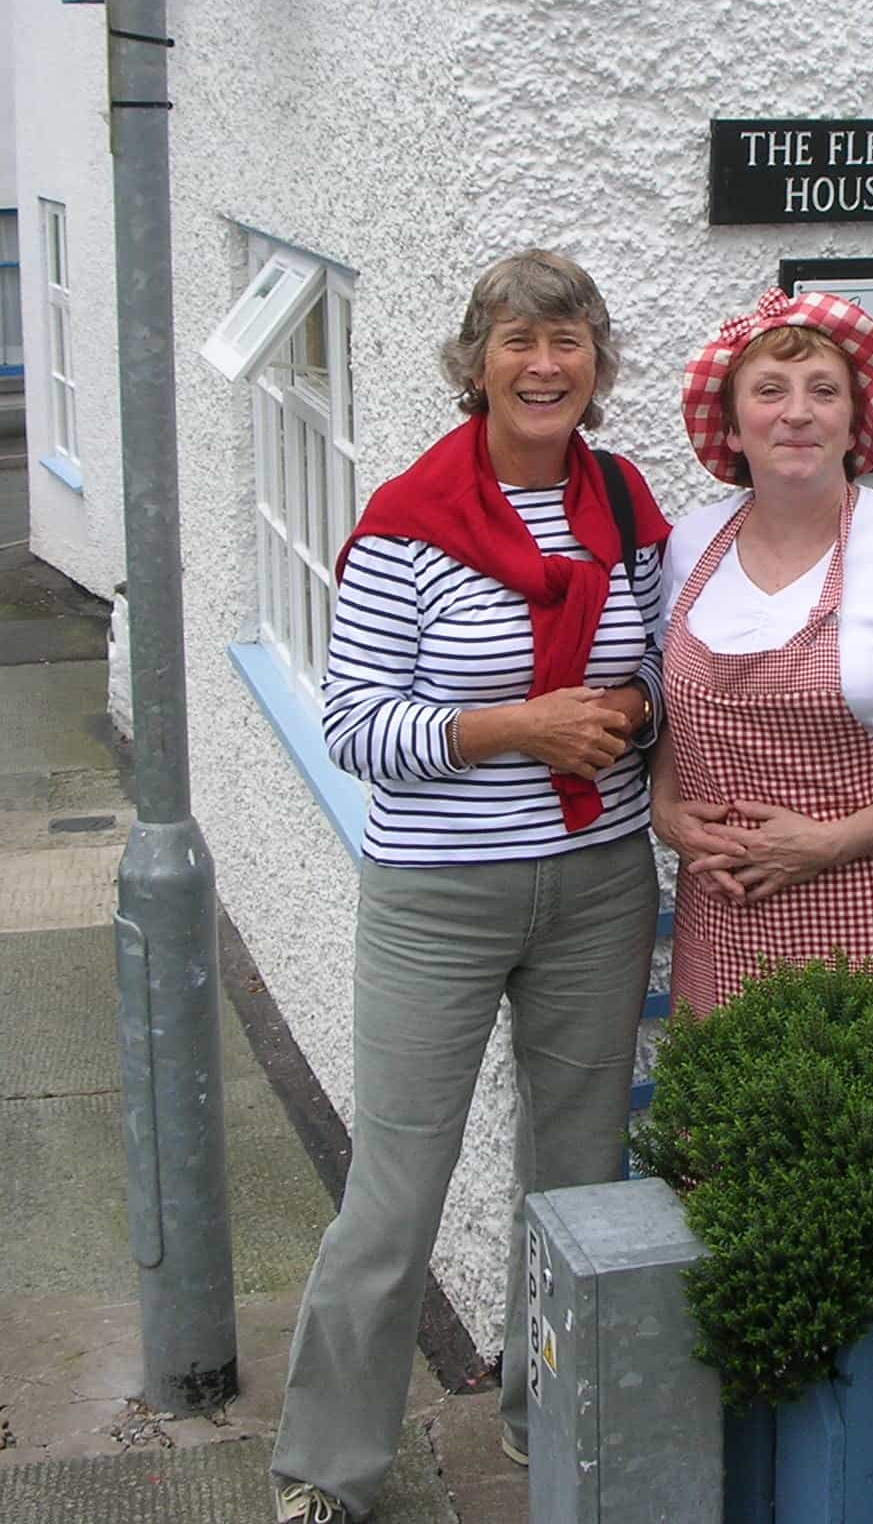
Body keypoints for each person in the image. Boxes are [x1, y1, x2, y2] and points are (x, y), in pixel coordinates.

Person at [271, 250, 669, 1524]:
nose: (544, 363)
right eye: (518, 341)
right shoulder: (406, 519)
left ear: (597, 364)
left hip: (601, 882)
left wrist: (635, 712)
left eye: (568, 340)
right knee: (394, 1195)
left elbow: (659, 677)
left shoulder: (623, 503)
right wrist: (520, 729)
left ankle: (541, 1418)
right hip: (439, 894)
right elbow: (355, 725)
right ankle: (328, 1467)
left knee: (577, 1178)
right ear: (476, 363)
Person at [652, 288, 873, 1017]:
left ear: (855, 421)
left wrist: (827, 844)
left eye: (823, 391)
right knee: (735, 1129)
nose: (796, 413)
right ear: (732, 422)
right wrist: (666, 813)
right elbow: (674, 723)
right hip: (730, 927)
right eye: (770, 391)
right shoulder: (687, 548)